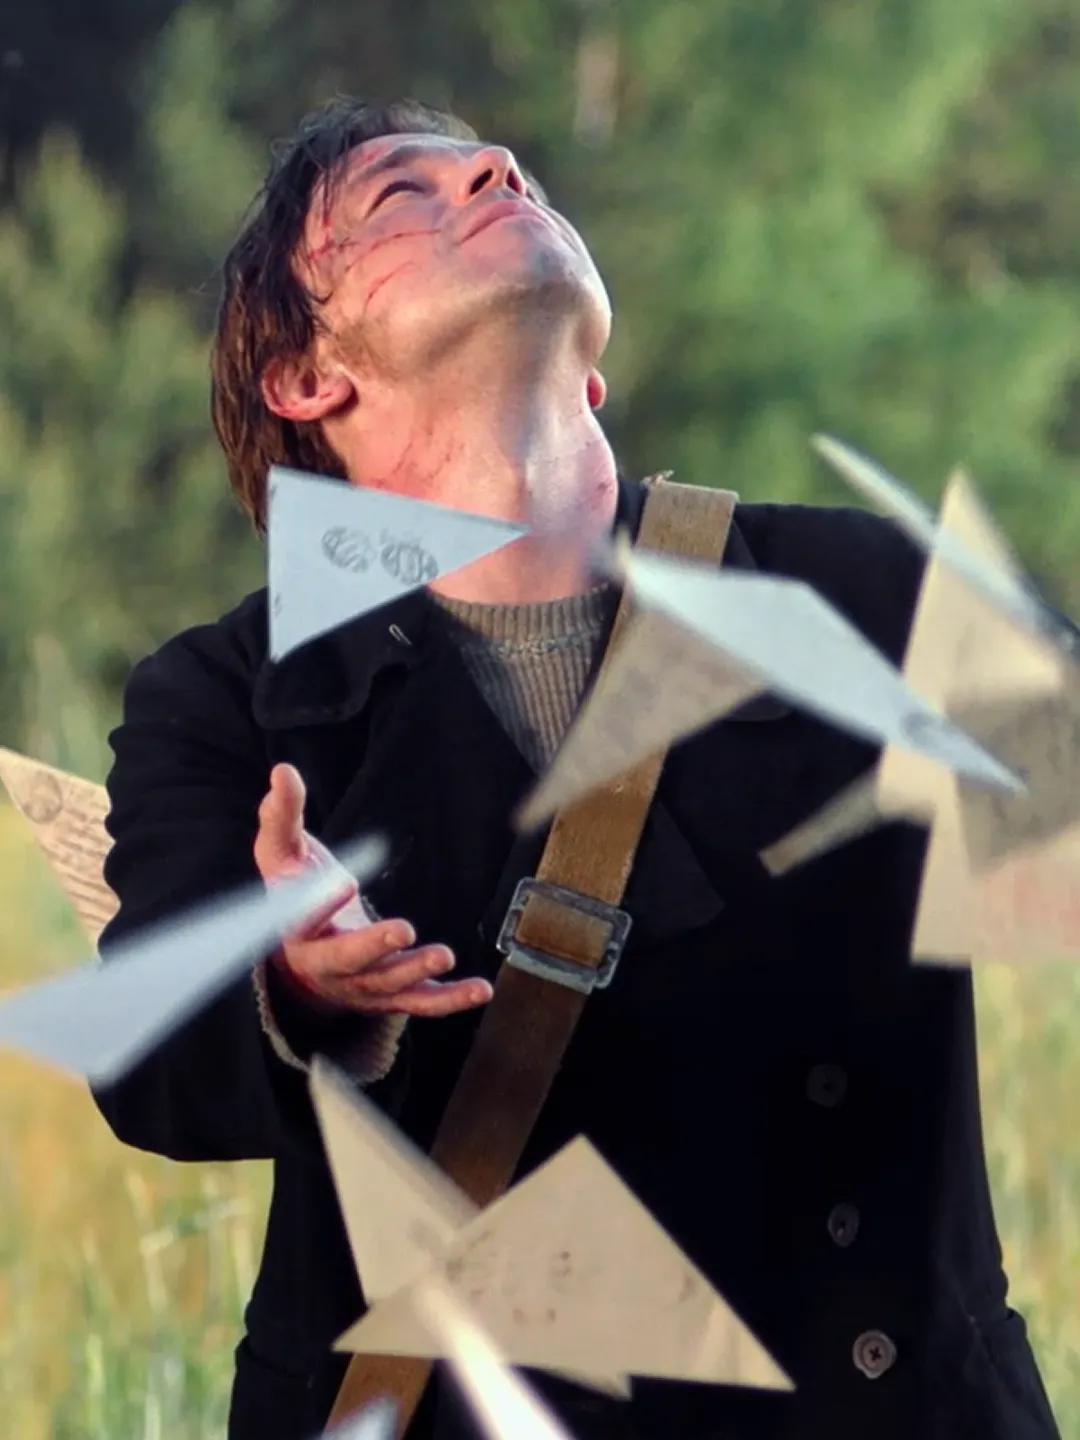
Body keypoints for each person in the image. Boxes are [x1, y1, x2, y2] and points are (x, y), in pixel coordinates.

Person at [92, 96, 1061, 1440]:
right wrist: (298, 989)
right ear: (308, 380)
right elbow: (152, 1066)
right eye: (400, 195)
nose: (495, 168)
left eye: (506, 173)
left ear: (592, 370)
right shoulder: (228, 702)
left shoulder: (868, 592)